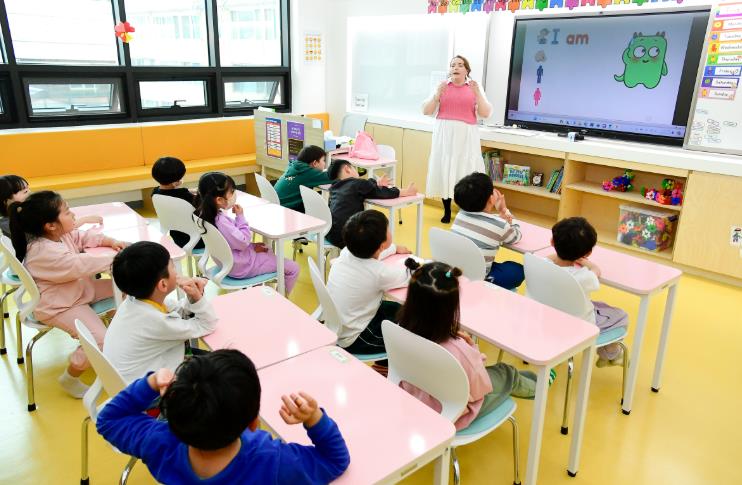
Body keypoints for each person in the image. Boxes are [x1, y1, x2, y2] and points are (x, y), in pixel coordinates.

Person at [96, 349, 350, 484]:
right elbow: (335, 461)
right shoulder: (273, 462)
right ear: (254, 422)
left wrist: (151, 383)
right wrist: (314, 418)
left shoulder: (159, 442)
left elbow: (108, 420)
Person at [8, 191, 125, 397]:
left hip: (78, 291)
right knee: (100, 342)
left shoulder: (60, 235)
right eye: (68, 212)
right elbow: (79, 264)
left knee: (128, 287)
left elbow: (82, 237)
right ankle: (70, 377)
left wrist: (109, 241)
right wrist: (118, 258)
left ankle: (117, 335)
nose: (73, 215)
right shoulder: (43, 252)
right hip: (60, 306)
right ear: (50, 225)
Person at [397, 261, 538, 429]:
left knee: (504, 373)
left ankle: (531, 379)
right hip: (454, 412)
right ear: (451, 307)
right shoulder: (457, 349)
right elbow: (481, 386)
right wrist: (473, 349)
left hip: (415, 399)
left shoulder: (399, 329)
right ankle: (539, 388)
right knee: (507, 373)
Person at [104, 241, 218, 383]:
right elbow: (207, 324)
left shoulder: (134, 301)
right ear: (163, 284)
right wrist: (197, 297)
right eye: (172, 266)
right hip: (155, 389)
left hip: (135, 378)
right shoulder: (156, 322)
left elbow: (179, 310)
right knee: (225, 368)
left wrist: (193, 295)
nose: (177, 271)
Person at [194, 172, 300, 294]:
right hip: (241, 267)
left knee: (265, 248)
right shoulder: (221, 221)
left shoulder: (203, 215)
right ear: (219, 200)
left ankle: (257, 291)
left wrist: (252, 248)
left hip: (228, 262)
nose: (234, 194)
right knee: (294, 268)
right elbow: (243, 242)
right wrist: (240, 216)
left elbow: (232, 241)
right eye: (232, 191)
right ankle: (280, 299)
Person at [326, 210, 410, 356]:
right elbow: (409, 276)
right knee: (408, 337)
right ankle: (387, 363)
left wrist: (395, 248)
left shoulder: (347, 252)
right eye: (388, 228)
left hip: (338, 326)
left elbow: (375, 253)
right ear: (381, 244)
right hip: (356, 338)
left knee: (401, 310)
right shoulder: (378, 273)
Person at [547, 217, 628, 366]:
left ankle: (610, 355)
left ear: (552, 242)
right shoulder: (583, 276)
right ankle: (611, 354)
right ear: (588, 253)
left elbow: (550, 258)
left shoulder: (541, 264)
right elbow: (596, 272)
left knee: (599, 307)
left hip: (548, 319)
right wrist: (590, 264)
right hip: (578, 326)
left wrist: (560, 254)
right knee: (620, 316)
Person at [422, 55, 493, 223]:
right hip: (444, 135)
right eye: (453, 65)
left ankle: (466, 212)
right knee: (445, 168)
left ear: (467, 70)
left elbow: (485, 113)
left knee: (465, 171)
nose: (456, 67)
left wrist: (478, 94)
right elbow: (426, 110)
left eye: (460, 65)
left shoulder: (474, 87)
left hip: (466, 136)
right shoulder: (442, 87)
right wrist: (436, 95)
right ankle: (446, 211)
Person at [452, 172, 524, 290]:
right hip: (479, 277)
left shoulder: (460, 215)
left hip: (457, 269)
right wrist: (504, 210)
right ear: (491, 199)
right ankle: (488, 282)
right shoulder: (500, 225)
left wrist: (500, 219)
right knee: (517, 270)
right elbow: (516, 236)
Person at [326, 159, 416, 248]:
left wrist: (377, 184)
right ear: (347, 169)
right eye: (354, 168)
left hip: (330, 234)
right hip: (348, 238)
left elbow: (369, 187)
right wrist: (406, 192)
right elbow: (382, 193)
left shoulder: (334, 188)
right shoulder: (357, 183)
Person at [1, 175, 102, 238]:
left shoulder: (20, 216)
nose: (30, 193)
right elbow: (55, 230)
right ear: (6, 201)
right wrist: (84, 220)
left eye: (28, 189)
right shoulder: (11, 224)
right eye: (25, 191)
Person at [151, 157, 204, 250]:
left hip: (177, 238)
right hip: (199, 240)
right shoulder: (186, 197)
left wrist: (188, 191)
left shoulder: (155, 193)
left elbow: (173, 193)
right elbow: (204, 209)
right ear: (176, 183)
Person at [274, 145, 332, 212]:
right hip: (286, 210)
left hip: (276, 204)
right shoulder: (308, 173)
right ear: (315, 163)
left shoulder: (294, 166)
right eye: (323, 160)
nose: (325, 164)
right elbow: (335, 176)